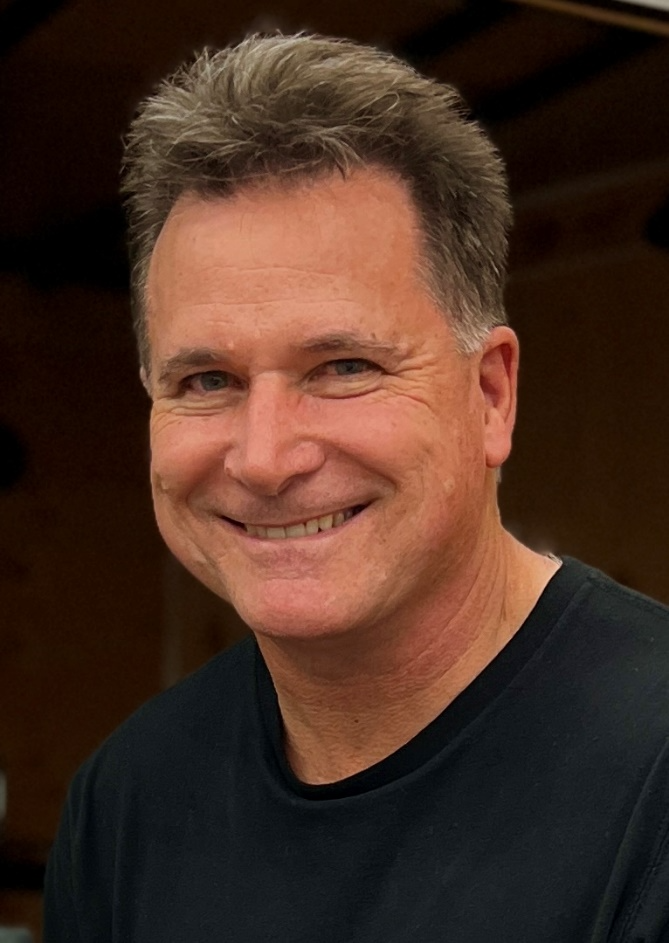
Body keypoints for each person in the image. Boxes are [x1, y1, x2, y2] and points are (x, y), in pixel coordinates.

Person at [44, 33, 669, 943]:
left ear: (489, 394)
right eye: (205, 381)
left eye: (342, 366)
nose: (263, 457)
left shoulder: (650, 778)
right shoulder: (128, 800)